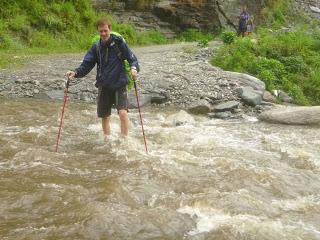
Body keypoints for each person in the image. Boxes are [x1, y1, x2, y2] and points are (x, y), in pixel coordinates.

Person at [65, 17, 139, 139]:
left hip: (120, 83)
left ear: (110, 29)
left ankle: (124, 140)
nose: (103, 33)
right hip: (104, 84)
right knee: (105, 115)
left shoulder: (119, 43)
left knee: (123, 113)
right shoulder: (96, 47)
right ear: (98, 31)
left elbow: (132, 59)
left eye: (105, 30)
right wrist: (75, 72)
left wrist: (134, 69)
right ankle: (107, 140)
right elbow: (87, 64)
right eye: (101, 31)